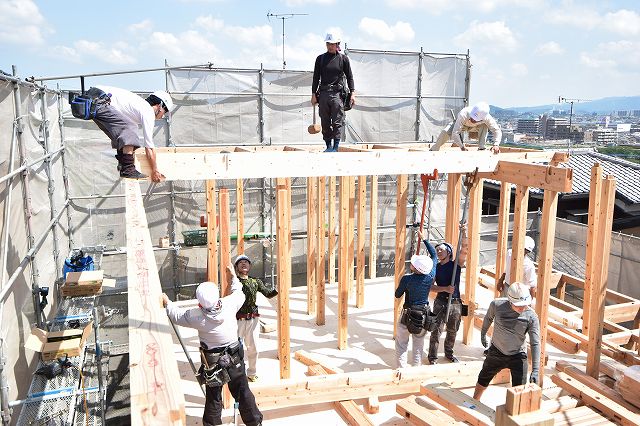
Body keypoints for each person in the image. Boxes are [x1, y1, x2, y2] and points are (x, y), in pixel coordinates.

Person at [162, 264, 263, 426]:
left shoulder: (195, 316)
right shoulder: (229, 304)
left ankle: (213, 424)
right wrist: (232, 277)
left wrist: (168, 303)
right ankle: (254, 422)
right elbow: (239, 293)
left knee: (214, 396)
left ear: (200, 304)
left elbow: (176, 315)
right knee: (243, 391)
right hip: (234, 357)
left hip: (213, 363)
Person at [88, 85, 172, 181]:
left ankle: (123, 163)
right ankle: (128, 169)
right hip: (99, 100)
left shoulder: (136, 108)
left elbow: (122, 134)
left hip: (94, 99)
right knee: (130, 129)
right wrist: (155, 170)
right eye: (165, 112)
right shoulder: (147, 111)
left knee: (122, 132)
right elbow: (149, 147)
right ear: (160, 106)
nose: (163, 116)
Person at [473, 282, 540, 401]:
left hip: (518, 355)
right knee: (483, 379)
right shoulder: (497, 305)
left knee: (519, 391)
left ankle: (515, 414)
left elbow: (535, 343)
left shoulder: (531, 316)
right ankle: (474, 402)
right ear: (510, 300)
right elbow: (488, 318)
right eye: (518, 305)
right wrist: (483, 333)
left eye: (524, 305)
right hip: (496, 351)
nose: (522, 308)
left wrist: (535, 370)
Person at [427, 226, 468, 364]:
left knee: (453, 330)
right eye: (437, 249)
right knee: (436, 329)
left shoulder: (456, 264)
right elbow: (431, 287)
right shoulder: (435, 268)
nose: (438, 251)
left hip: (455, 302)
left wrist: (464, 232)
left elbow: (465, 249)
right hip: (441, 301)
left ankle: (449, 353)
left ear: (449, 252)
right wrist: (445, 288)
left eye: (441, 249)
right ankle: (432, 357)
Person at [234, 254, 278, 382]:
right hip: (238, 319)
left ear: (250, 266)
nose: (243, 264)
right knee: (236, 348)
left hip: (253, 319)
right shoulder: (234, 282)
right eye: (240, 262)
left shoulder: (255, 281)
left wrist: (277, 289)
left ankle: (252, 373)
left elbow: (268, 293)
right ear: (236, 267)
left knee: (254, 348)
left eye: (246, 262)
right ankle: (238, 373)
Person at [394, 236, 437, 368]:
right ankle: (416, 370)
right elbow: (434, 255)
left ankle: (401, 370)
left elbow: (397, 295)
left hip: (407, 314)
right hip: (423, 315)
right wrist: (424, 240)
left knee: (401, 344)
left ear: (415, 268)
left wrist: (404, 284)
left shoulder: (407, 279)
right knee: (418, 345)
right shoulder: (430, 277)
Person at [311, 33, 356, 152]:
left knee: (337, 121)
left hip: (337, 94)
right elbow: (316, 77)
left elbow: (350, 77)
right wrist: (313, 94)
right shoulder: (320, 59)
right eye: (328, 44)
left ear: (337, 44)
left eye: (332, 44)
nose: (330, 46)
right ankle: (328, 146)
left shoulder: (343, 59)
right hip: (324, 93)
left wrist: (353, 93)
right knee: (325, 121)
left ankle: (336, 147)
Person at [430, 102, 502, 153]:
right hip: (463, 126)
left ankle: (481, 148)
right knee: (445, 132)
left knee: (484, 125)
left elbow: (497, 131)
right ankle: (434, 150)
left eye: (474, 119)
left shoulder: (487, 117)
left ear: (481, 118)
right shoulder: (464, 113)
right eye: (472, 118)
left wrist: (496, 145)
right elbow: (455, 133)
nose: (472, 120)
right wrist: (462, 147)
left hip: (475, 129)